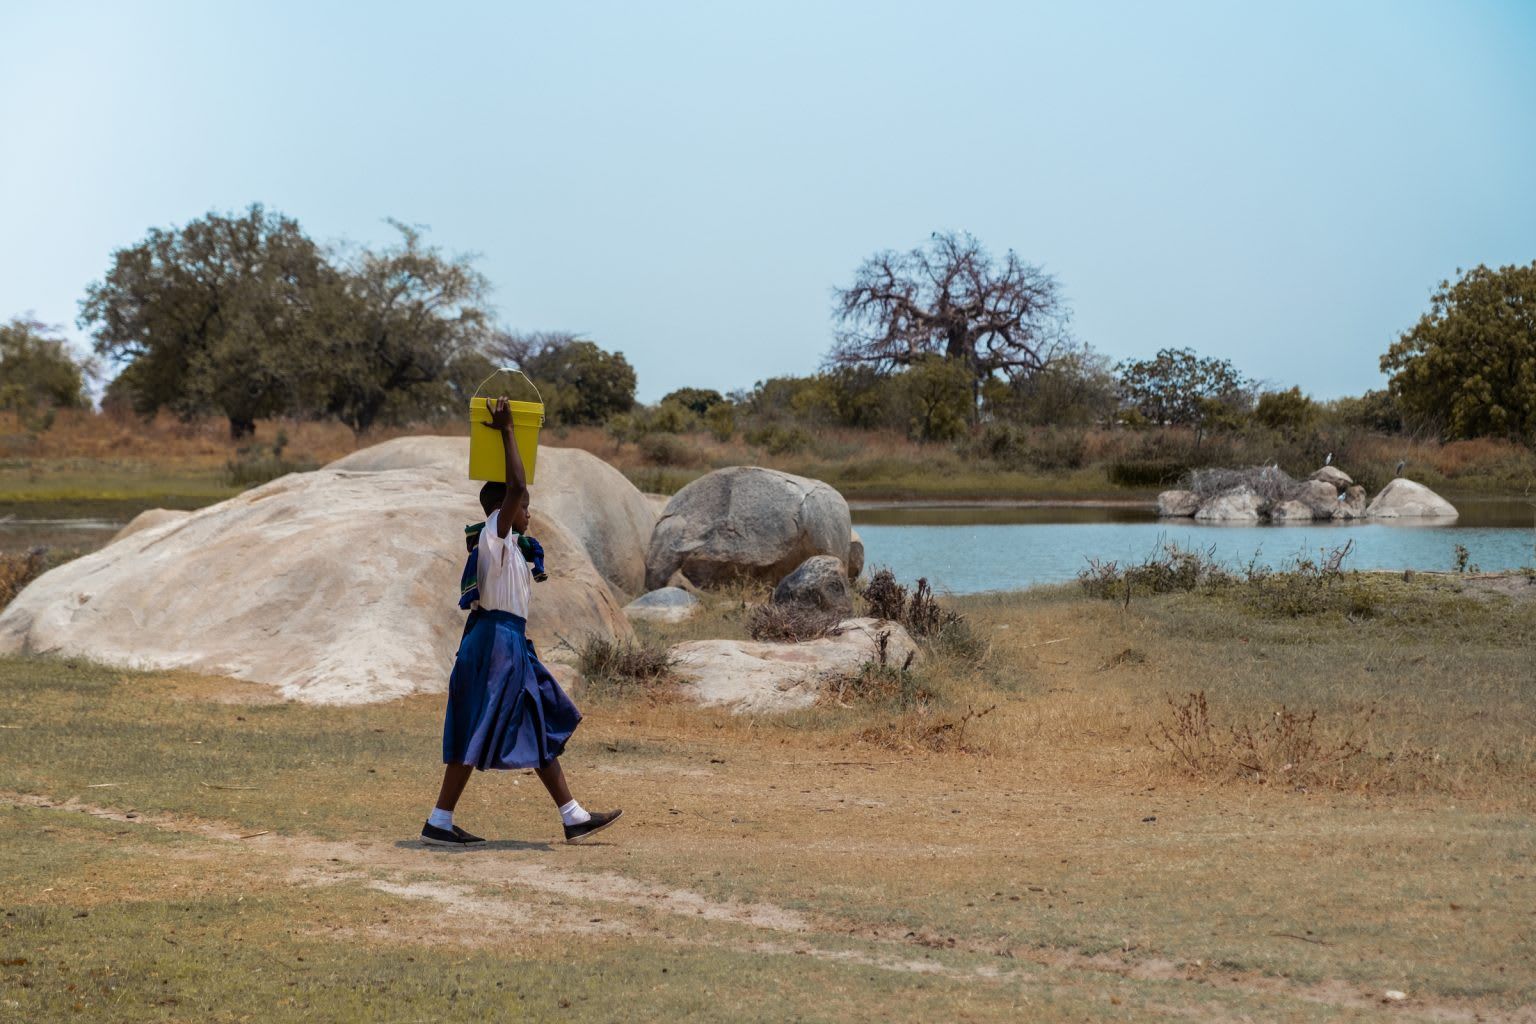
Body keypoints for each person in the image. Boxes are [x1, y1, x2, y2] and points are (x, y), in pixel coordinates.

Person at [422, 397, 622, 847]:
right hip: (494, 644)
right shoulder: (495, 540)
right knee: (479, 724)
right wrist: (509, 430)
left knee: (535, 717)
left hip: (508, 642)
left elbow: (515, 492)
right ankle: (439, 820)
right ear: (504, 512)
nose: (530, 514)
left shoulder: (512, 550)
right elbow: (514, 487)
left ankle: (572, 816)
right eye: (525, 508)